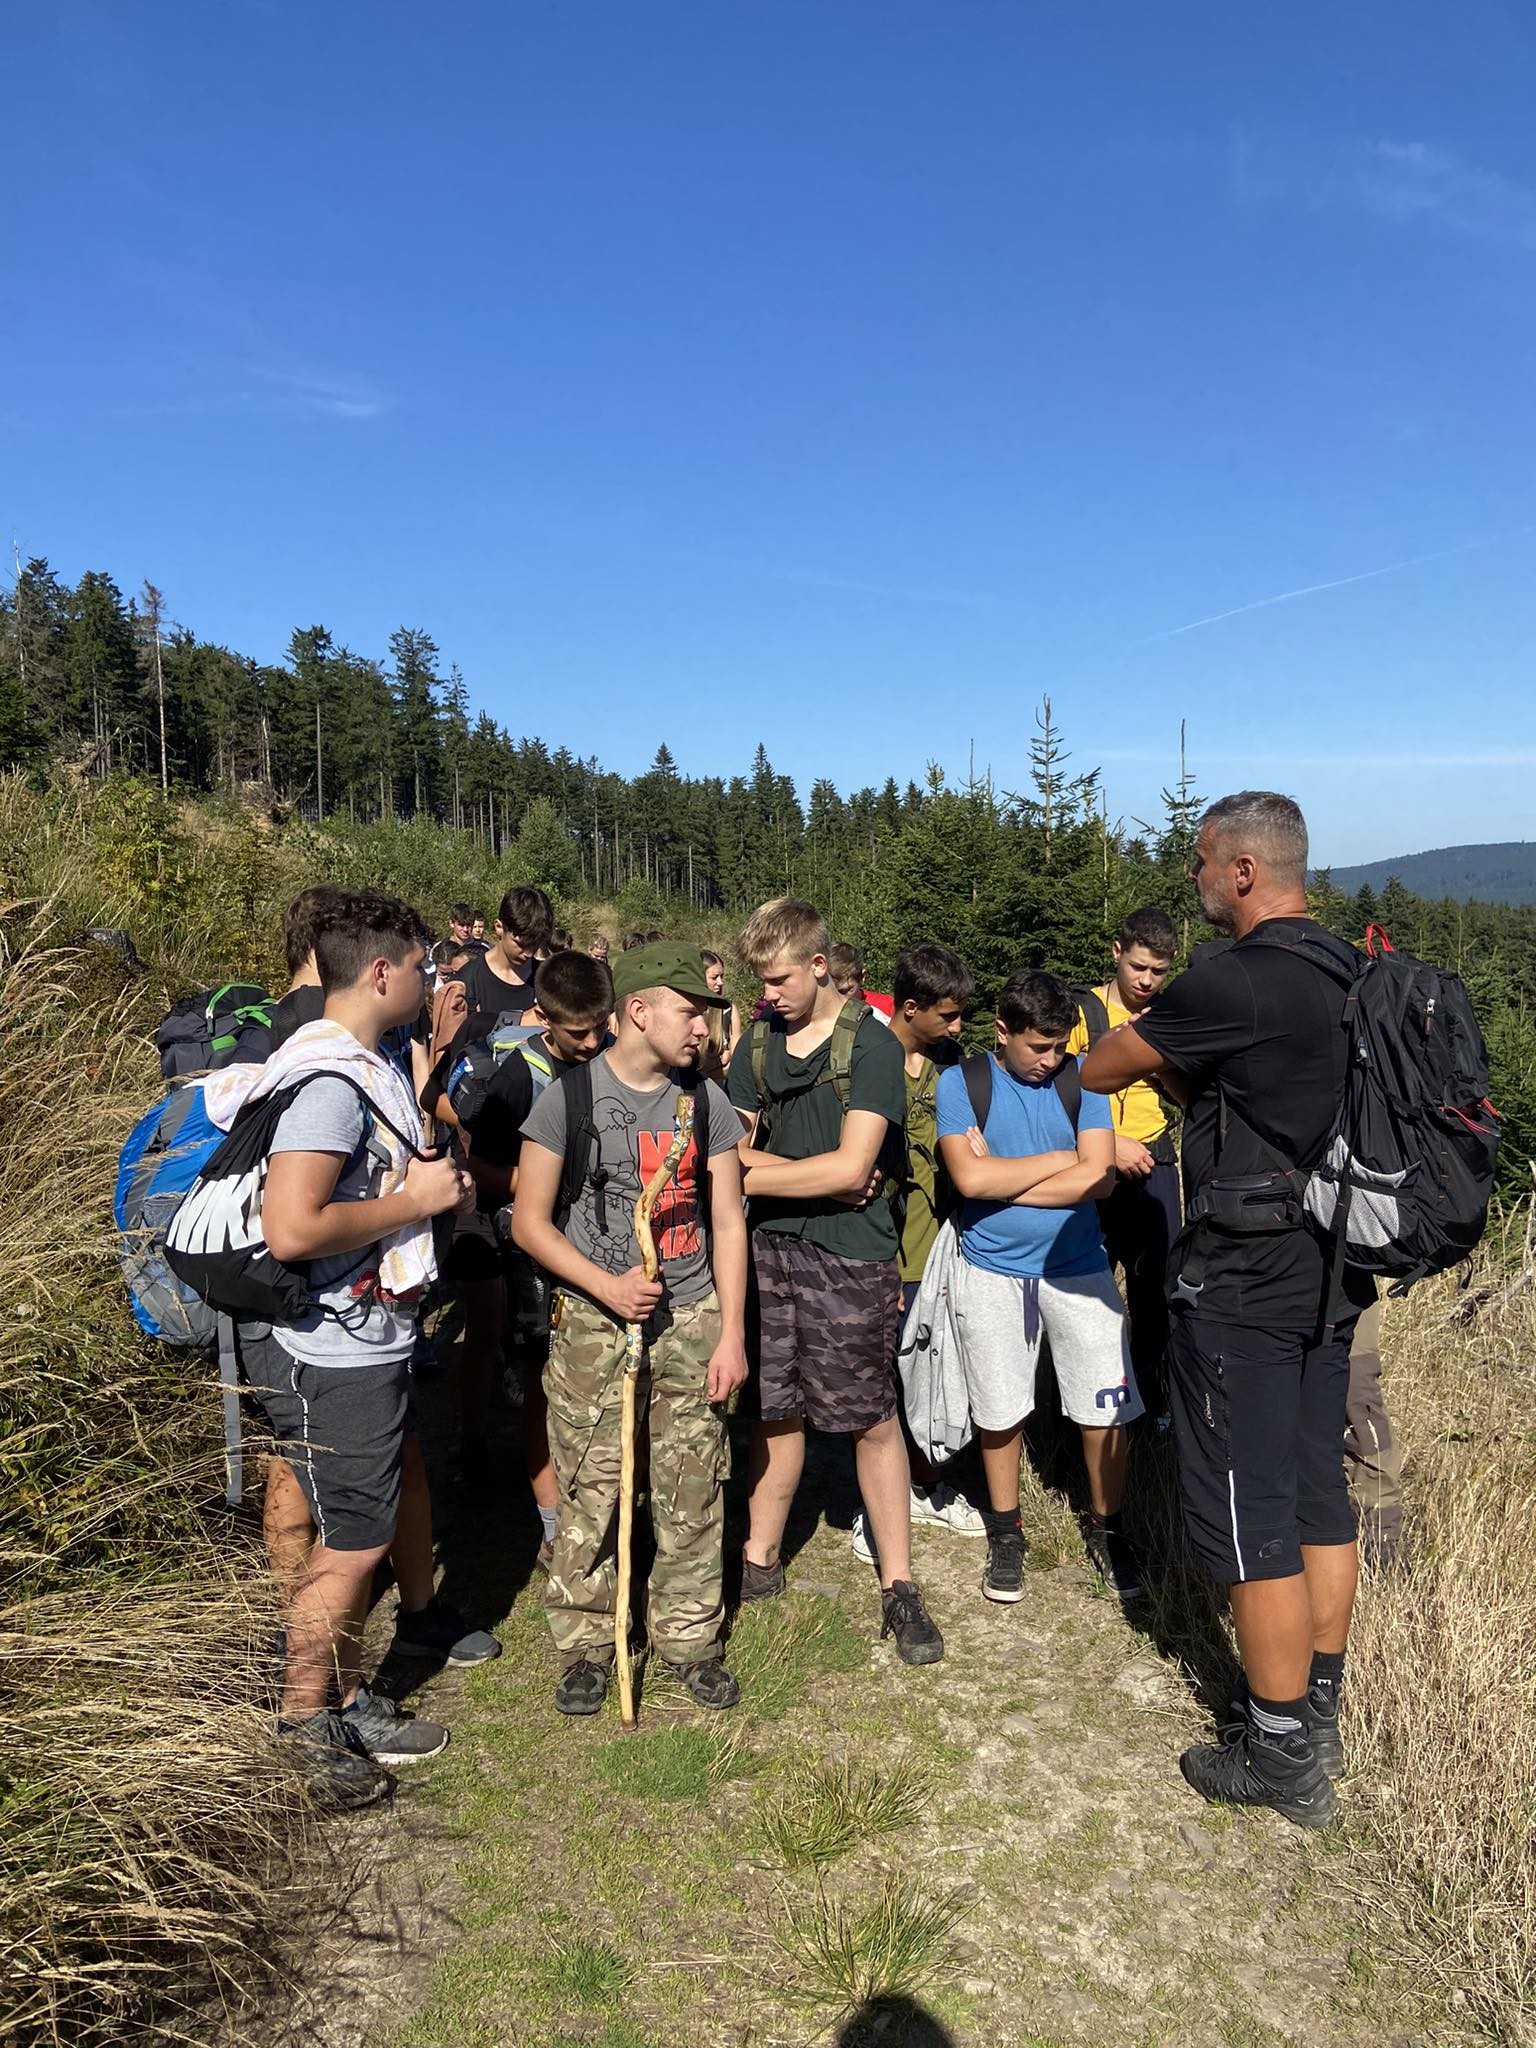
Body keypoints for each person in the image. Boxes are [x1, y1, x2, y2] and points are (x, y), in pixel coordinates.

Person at [1081, 790, 1373, 1828]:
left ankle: (1279, 1752)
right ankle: (1319, 1713)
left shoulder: (1231, 978)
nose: (1194, 876)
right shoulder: (1349, 969)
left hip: (1246, 1277)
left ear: (1244, 870)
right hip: (1334, 1267)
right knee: (1317, 1493)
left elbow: (1100, 1062)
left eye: (1202, 860)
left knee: (1252, 1517)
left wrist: (1172, 1048)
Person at [239, 890, 500, 1808]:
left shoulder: (368, 1064)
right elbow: (291, 1227)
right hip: (330, 1351)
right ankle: (301, 1724)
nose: (434, 979)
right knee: (352, 1545)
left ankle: (347, 1699)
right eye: (424, 966)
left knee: (363, 1532)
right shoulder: (326, 1083)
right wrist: (414, 1203)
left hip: (364, 1340)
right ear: (382, 973)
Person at [512, 942, 749, 1715]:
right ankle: (587, 1644)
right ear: (639, 1012)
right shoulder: (568, 1100)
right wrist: (605, 1286)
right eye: (690, 1012)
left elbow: (728, 1221)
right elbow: (529, 1223)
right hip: (592, 1322)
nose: (703, 1029)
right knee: (591, 1485)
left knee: (691, 1485)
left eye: (707, 1015)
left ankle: (688, 1639)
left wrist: (731, 1332)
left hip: (692, 1316)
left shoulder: (706, 1103)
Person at [728, 898, 943, 1667]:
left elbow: (856, 1171)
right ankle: (759, 1559)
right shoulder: (757, 1044)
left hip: (852, 1254)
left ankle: (899, 1585)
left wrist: (758, 1173)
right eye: (760, 981)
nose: (768, 994)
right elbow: (728, 1156)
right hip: (766, 1252)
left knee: (871, 1417)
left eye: (779, 979)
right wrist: (797, 1175)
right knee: (774, 1409)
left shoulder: (871, 1045)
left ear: (819, 966)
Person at [937, 970, 1144, 1607]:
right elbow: (968, 1183)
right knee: (999, 1410)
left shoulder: (1083, 1080)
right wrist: (1064, 1162)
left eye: (1059, 1047)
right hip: (991, 1270)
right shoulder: (962, 1083)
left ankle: (1109, 1531)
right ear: (1003, 1031)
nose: (1051, 1060)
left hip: (1079, 1268)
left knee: (1105, 1406)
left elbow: (1100, 1181)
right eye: (1038, 1047)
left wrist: (1002, 1179)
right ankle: (1007, 1533)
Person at [443, 949, 615, 1547]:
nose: (592, 1042)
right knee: (539, 1370)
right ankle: (549, 1519)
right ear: (543, 1016)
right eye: (578, 1033)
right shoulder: (519, 1078)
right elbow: (480, 1167)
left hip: (593, 1239)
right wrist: (546, 1181)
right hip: (525, 1242)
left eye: (601, 1027)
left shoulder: (611, 1057)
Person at [851, 943, 985, 1560]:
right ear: (910, 1007)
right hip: (882, 1248)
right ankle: (875, 1504)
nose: (957, 1027)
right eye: (947, 1015)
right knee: (880, 1380)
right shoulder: (867, 1061)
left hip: (939, 1247)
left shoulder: (950, 1065)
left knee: (931, 1371)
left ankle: (927, 1486)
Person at [1066, 908, 1181, 1421]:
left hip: (1155, 1163)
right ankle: (1079, 1411)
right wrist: (1110, 1143)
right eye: (1138, 967)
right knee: (1084, 1293)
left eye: (1159, 971)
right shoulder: (1082, 1013)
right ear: (1117, 952)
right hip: (1093, 1165)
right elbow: (1055, 1088)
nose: (1146, 981)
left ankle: (1153, 1407)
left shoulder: (1171, 1016)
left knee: (1156, 1294)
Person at [451, 885, 553, 1032]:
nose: (529, 953)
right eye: (520, 943)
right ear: (499, 927)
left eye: (535, 944)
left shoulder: (549, 980)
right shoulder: (467, 983)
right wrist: (524, 1020)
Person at [699, 948, 742, 1084]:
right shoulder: (687, 1011)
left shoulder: (728, 1010)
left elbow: (737, 1058)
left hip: (719, 1088)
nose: (720, 982)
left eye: (721, 976)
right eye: (714, 977)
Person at [828, 941, 894, 1021]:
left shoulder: (888, 1008)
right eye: (831, 992)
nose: (838, 998)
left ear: (862, 977)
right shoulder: (818, 1011)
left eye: (845, 991)